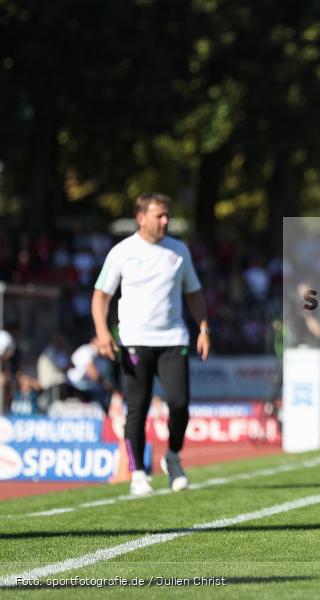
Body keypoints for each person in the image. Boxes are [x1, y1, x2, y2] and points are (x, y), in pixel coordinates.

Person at [92, 193, 211, 496]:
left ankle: (172, 456)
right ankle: (137, 473)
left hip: (173, 339)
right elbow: (101, 296)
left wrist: (203, 327)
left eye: (167, 215)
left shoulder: (179, 250)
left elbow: (193, 293)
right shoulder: (122, 252)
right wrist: (103, 332)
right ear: (140, 218)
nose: (165, 221)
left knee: (179, 404)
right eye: (159, 215)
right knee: (138, 407)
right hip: (134, 340)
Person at [66, 336, 117, 413]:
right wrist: (105, 384)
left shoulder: (101, 359)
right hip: (74, 384)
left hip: (86, 386)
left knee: (106, 392)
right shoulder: (88, 350)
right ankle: (106, 413)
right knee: (102, 392)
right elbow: (92, 373)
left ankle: (108, 413)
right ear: (95, 342)